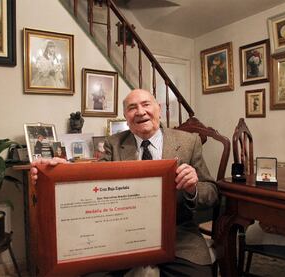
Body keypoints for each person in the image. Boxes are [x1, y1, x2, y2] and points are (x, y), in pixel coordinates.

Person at [31, 89, 218, 276]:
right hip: (120, 236)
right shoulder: (113, 143)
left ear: (158, 109)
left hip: (178, 236)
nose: (140, 112)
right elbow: (92, 181)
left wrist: (192, 188)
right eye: (132, 108)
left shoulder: (189, 142)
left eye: (146, 104)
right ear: (126, 117)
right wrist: (60, 172)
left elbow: (211, 192)